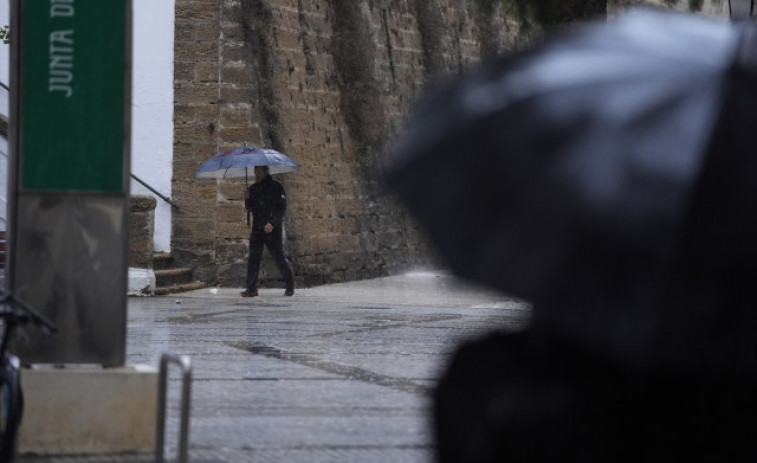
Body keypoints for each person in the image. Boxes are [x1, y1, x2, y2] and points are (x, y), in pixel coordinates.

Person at [240, 165, 295, 297]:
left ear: (265, 171)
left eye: (259, 171)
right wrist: (247, 198)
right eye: (255, 171)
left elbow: (282, 209)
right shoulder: (253, 188)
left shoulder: (277, 187)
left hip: (272, 229)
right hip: (258, 228)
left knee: (278, 257)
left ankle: (290, 285)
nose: (256, 174)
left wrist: (273, 223)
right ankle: (251, 288)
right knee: (253, 258)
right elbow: (251, 209)